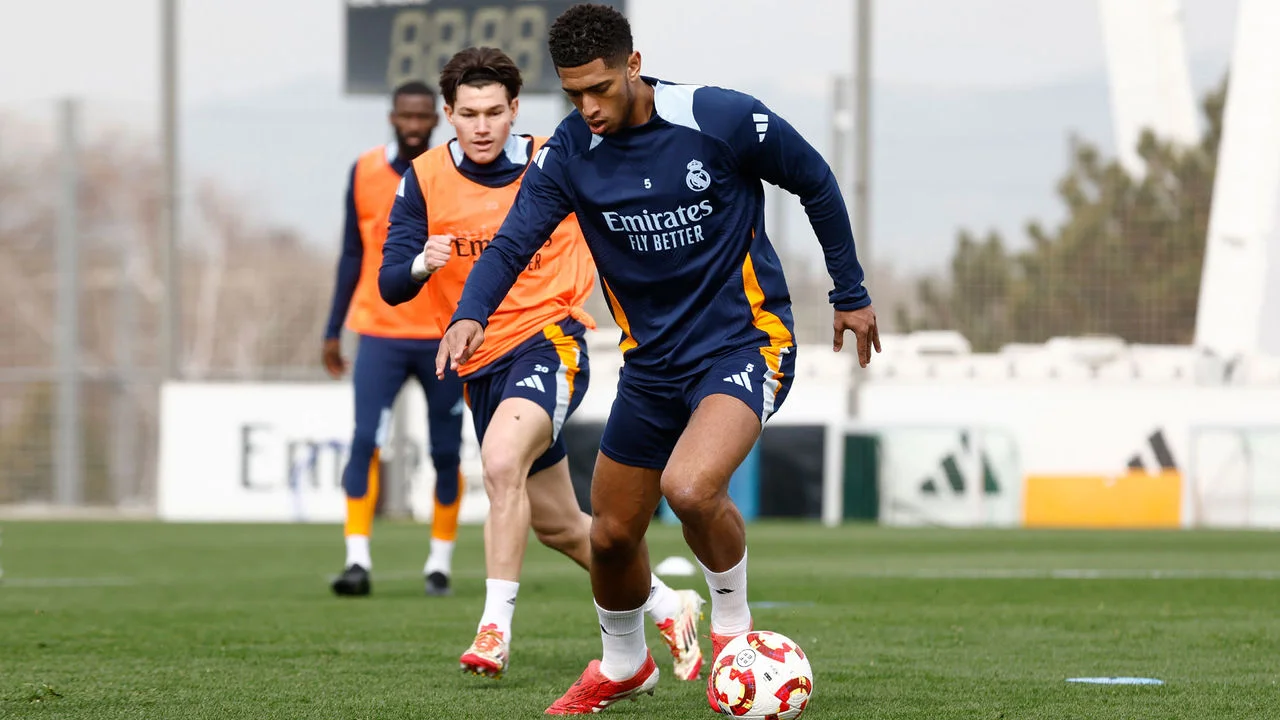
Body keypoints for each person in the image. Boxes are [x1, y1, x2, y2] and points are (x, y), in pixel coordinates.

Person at [435, 5, 881, 714]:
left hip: (746, 343)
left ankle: (736, 634)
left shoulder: (719, 119)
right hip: (652, 367)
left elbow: (816, 180)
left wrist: (849, 293)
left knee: (692, 486)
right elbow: (515, 243)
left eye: (601, 89)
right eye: (573, 93)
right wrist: (468, 314)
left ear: (633, 66)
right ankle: (624, 664)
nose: (588, 107)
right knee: (610, 536)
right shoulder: (569, 156)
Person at [379, 46, 705, 683]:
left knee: (500, 462)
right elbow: (392, 282)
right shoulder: (422, 179)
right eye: (468, 113)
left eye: (494, 112)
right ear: (448, 114)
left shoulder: (560, 160)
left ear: (514, 111)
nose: (481, 125)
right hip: (479, 365)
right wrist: (424, 261)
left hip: (548, 343)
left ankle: (494, 629)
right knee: (559, 525)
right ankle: (669, 604)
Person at [323, 80, 466, 598]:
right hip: (378, 332)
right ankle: (357, 559)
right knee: (366, 440)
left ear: (437, 118)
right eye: (405, 116)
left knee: (446, 452)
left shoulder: (449, 173)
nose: (413, 124)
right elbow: (350, 254)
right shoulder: (363, 171)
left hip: (439, 334)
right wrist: (331, 328)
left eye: (422, 116)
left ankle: (439, 564)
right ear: (391, 117)